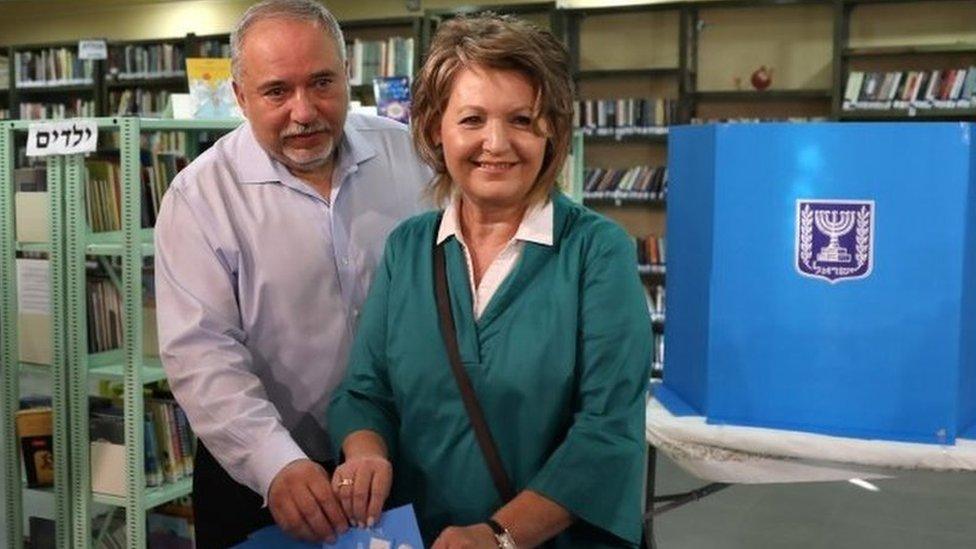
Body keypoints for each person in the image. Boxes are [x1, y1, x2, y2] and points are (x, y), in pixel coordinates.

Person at [328, 13, 651, 548]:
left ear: (553, 130)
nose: (496, 143)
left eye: (522, 120)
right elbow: (365, 390)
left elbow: (608, 432)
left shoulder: (596, 252)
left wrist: (500, 536)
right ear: (436, 127)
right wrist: (365, 453)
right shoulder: (409, 247)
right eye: (472, 119)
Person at [153, 0, 431, 546]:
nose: (304, 112)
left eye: (322, 83)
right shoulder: (200, 197)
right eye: (277, 91)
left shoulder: (411, 156)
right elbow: (201, 352)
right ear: (239, 96)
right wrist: (274, 461)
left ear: (349, 76)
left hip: (401, 458)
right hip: (265, 474)